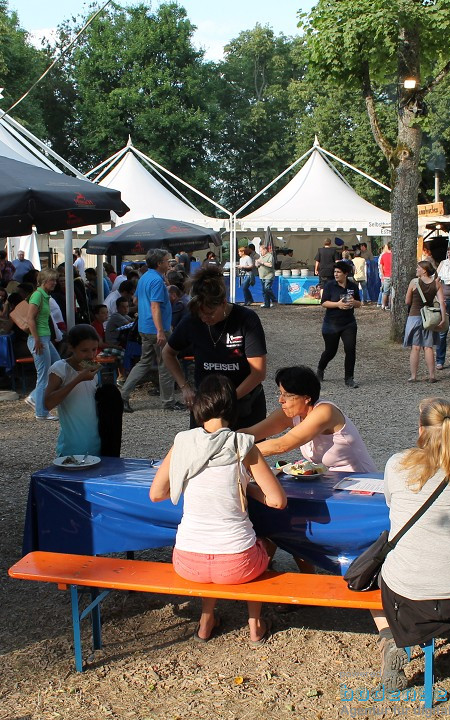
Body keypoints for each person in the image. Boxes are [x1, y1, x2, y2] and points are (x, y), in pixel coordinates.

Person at [373, 398, 450, 690]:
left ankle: (389, 639)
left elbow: (391, 503)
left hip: (407, 590)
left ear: (420, 430)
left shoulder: (397, 463)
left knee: (372, 576)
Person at [148, 375, 286, 645]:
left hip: (188, 563)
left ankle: (206, 619)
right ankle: (254, 623)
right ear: (232, 407)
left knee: (209, 549)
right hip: (238, 563)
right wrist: (245, 488)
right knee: (266, 543)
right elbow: (277, 501)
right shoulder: (242, 445)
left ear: (200, 405)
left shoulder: (183, 442)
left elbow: (156, 494)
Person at [164, 265, 268, 429]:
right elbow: (168, 353)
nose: (205, 318)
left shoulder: (246, 320)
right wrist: (185, 387)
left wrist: (230, 399)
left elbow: (258, 372)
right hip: (206, 405)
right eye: (200, 313)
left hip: (244, 404)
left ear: (223, 303)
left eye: (210, 313)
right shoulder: (192, 320)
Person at [244, 366, 376, 473]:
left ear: (306, 398)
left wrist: (236, 453)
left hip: (360, 481)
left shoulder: (325, 412)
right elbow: (250, 433)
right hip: (329, 482)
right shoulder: (291, 413)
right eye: (280, 393)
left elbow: (282, 445)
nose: (280, 400)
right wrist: (226, 437)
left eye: (287, 395)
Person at [120, 248, 179, 413]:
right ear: (160, 263)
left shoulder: (144, 277)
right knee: (166, 363)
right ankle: (168, 401)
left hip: (145, 327)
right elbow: (155, 306)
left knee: (144, 362)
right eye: (167, 261)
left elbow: (136, 299)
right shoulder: (156, 281)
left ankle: (124, 394)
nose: (169, 263)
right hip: (156, 328)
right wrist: (161, 329)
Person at [43, 324, 103, 457]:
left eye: (94, 349)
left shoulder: (93, 372)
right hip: (71, 447)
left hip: (95, 444)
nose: (91, 355)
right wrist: (78, 379)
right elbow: (48, 403)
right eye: (84, 350)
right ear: (71, 347)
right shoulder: (60, 369)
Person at [317, 261, 362, 388]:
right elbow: (324, 303)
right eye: (335, 272)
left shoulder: (352, 286)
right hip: (331, 323)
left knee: (350, 350)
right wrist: (338, 304)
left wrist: (354, 303)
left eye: (338, 272)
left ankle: (349, 378)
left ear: (345, 273)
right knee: (331, 351)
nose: (335, 274)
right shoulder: (329, 285)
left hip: (348, 323)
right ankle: (320, 369)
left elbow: (359, 303)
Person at [25, 269, 60, 421]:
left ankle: (34, 397)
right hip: (39, 339)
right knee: (44, 375)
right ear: (44, 281)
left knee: (57, 365)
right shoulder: (38, 295)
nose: (55, 283)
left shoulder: (44, 296)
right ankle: (41, 411)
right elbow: (30, 319)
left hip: (44, 338)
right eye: (52, 280)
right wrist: (37, 339)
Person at [403, 260, 446, 383]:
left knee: (415, 347)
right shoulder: (436, 284)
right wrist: (443, 318)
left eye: (418, 268)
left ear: (424, 270)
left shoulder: (414, 282)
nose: (416, 270)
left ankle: (413, 376)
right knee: (428, 347)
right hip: (429, 318)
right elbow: (442, 302)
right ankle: (432, 375)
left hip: (415, 316)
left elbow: (407, 301)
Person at [255, 242, 276, 309]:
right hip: (262, 276)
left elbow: (270, 265)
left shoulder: (270, 256)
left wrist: (262, 262)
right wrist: (257, 263)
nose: (260, 252)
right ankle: (267, 304)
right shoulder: (261, 256)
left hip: (269, 275)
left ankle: (274, 299)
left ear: (265, 250)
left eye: (261, 250)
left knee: (267, 288)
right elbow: (257, 265)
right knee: (264, 290)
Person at [378, 242, 393, 310]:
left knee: (385, 292)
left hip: (386, 276)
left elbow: (381, 266)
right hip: (393, 276)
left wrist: (383, 275)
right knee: (392, 292)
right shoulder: (395, 255)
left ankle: (383, 305)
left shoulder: (383, 255)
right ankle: (390, 306)